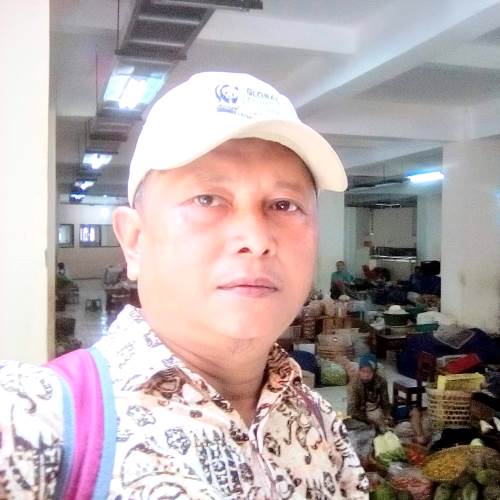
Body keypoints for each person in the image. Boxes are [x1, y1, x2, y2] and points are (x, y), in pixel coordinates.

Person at [0, 72, 369, 498]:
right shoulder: (35, 423)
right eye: (208, 199)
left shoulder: (322, 427)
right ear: (134, 240)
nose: (256, 239)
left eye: (284, 205)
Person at [347, 354, 393, 430]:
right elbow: (352, 410)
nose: (366, 375)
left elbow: (385, 402)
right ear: (359, 371)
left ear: (374, 372)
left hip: (375, 409)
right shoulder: (353, 385)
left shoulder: (381, 381)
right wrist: (369, 421)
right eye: (363, 371)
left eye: (369, 372)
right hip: (360, 414)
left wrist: (387, 416)